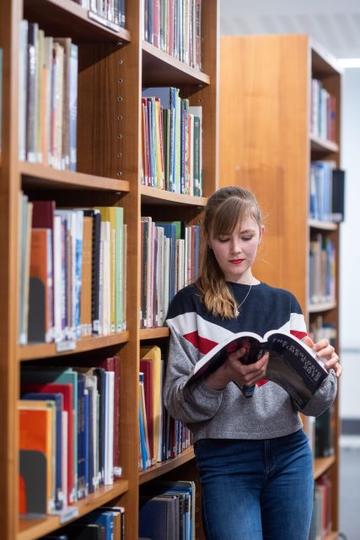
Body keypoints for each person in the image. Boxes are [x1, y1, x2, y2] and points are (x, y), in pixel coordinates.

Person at [163, 186, 342, 540]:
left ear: (261, 232)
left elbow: (316, 405)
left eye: (246, 236)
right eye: (224, 238)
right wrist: (222, 376)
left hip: (290, 453)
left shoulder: (285, 305)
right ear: (209, 241)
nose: (236, 250)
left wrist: (325, 372)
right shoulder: (188, 306)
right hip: (225, 459)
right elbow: (177, 404)